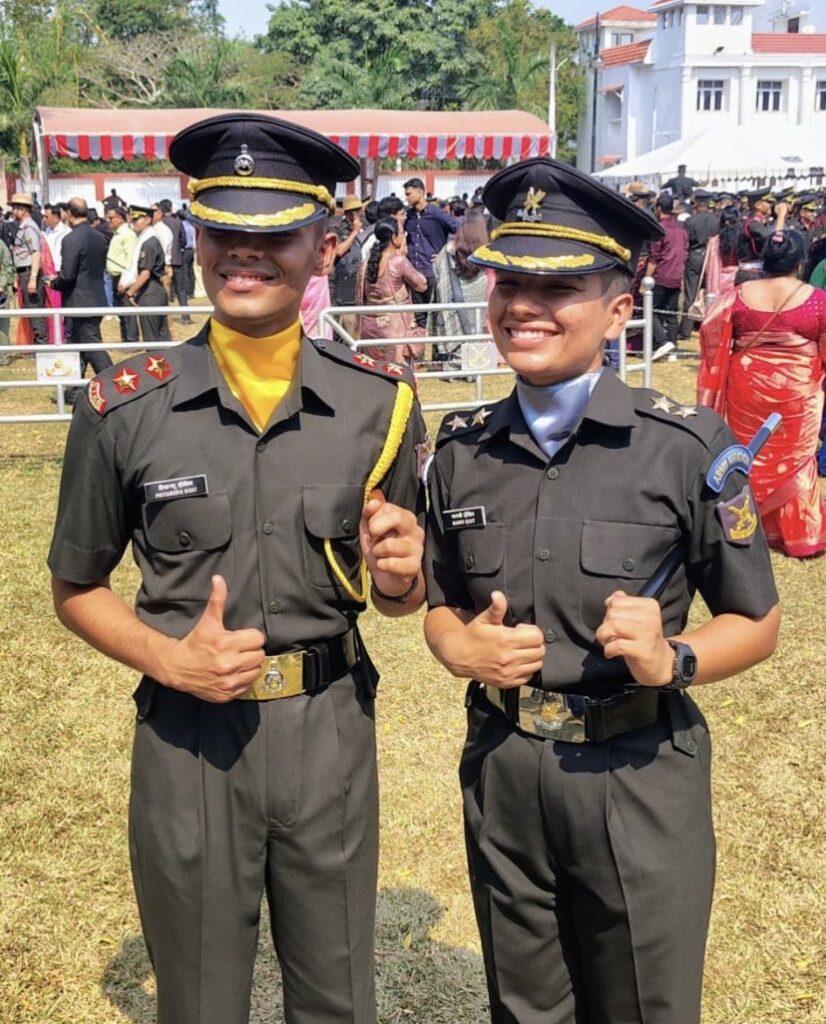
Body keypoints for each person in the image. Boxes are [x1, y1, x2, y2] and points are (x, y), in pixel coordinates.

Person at [48, 112, 426, 1024]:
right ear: (197, 236)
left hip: (329, 730)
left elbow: (395, 595)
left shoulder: (381, 405)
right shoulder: (123, 408)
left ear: (322, 245)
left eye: (275, 235)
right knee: (202, 998)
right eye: (223, 231)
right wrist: (166, 658)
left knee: (337, 996)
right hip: (190, 740)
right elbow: (75, 588)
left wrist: (405, 579)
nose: (244, 255)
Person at [422, 156, 780, 1024]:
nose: (523, 307)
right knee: (525, 1006)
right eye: (509, 281)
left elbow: (756, 619)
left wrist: (676, 656)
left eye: (561, 287)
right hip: (506, 774)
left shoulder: (685, 447)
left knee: (642, 1008)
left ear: (620, 308)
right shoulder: (462, 448)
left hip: (637, 770)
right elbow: (439, 600)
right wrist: (454, 646)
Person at [698, 228, 826, 558]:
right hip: (797, 391)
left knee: (749, 453)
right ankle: (798, 533)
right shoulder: (816, 299)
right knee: (796, 459)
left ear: (764, 260)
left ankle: (744, 523)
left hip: (747, 387)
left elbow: (711, 326)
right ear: (800, 262)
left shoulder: (739, 294)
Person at [49, 197, 114, 399]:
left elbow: (68, 275)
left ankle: (115, 384)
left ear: (69, 213)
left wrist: (53, 283)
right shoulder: (99, 237)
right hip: (95, 296)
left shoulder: (71, 239)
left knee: (92, 347)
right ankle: (74, 389)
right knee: (78, 345)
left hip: (79, 300)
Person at [355, 217, 427, 368]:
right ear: (394, 238)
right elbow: (422, 285)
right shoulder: (398, 262)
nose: (404, 235)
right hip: (393, 330)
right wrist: (404, 254)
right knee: (397, 374)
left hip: (368, 329)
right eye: (402, 233)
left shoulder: (365, 263)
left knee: (373, 371)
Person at [428, 208, 492, 368]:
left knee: (458, 326)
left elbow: (437, 270)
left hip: (454, 297)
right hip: (479, 291)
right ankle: (477, 363)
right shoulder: (487, 252)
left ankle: (455, 363)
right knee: (476, 326)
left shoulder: (448, 251)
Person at [404, 176, 460, 331]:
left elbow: (461, 229)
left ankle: (437, 352)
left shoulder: (437, 214)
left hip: (433, 272)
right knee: (419, 316)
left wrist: (448, 250)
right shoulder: (408, 216)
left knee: (436, 317)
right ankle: (420, 352)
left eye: (409, 194)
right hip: (413, 273)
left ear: (420, 192)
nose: (406, 197)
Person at [646, 191, 688, 359]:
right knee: (671, 314)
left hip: (661, 275)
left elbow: (654, 258)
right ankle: (672, 350)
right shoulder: (682, 229)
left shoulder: (660, 229)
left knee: (650, 310)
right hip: (677, 276)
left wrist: (645, 280)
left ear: (658, 208)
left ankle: (663, 342)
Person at [118, 205, 168, 344]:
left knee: (152, 338)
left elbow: (145, 273)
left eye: (136, 219)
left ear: (147, 219)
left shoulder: (149, 242)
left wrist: (130, 292)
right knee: (159, 336)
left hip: (150, 290)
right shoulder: (145, 239)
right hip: (150, 289)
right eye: (132, 220)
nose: (133, 222)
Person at [679, 188, 720, 339]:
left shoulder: (690, 221)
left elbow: (686, 241)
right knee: (711, 292)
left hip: (695, 255)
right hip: (711, 256)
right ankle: (708, 325)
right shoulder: (716, 220)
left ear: (696, 202)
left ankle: (686, 329)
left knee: (691, 293)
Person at [10, 192, 48, 346]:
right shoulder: (23, 227)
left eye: (15, 208)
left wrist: (32, 277)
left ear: (23, 209)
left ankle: (42, 343)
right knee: (30, 309)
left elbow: (36, 252)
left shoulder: (29, 227)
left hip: (29, 272)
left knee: (34, 309)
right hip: (23, 272)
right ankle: (37, 341)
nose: (13, 211)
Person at [105, 206, 139, 343]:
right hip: (115, 277)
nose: (109, 221)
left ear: (120, 218)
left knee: (127, 310)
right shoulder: (117, 233)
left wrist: (125, 280)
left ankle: (131, 338)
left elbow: (130, 259)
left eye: (111, 218)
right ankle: (125, 337)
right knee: (121, 310)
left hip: (123, 277)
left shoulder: (127, 234)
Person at [0, 233, 13, 365]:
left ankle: (3, 356)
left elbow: (7, 266)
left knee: (2, 325)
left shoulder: (1, 245)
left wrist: (2, 284)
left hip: (0, 292)